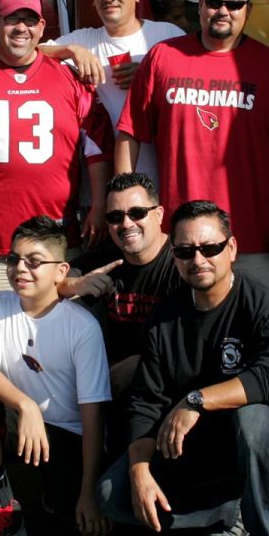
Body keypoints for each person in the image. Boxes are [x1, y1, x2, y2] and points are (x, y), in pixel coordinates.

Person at [97, 200, 269, 536]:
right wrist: (140, 469)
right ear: (175, 256)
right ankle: (229, 509)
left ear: (231, 248)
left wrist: (196, 401)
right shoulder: (166, 316)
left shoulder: (263, 304)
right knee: (111, 496)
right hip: (201, 441)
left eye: (209, 248)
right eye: (184, 251)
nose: (198, 259)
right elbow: (146, 400)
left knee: (253, 419)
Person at [115, 0, 269, 295]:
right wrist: (123, 209)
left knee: (262, 335)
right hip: (179, 242)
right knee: (184, 336)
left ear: (247, 12)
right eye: (215, 2)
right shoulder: (164, 57)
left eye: (234, 4)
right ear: (200, 7)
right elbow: (130, 133)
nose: (224, 10)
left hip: (252, 240)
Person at [0, 0, 110, 344]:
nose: (21, 28)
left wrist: (99, 204)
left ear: (40, 28)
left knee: (55, 345)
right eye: (12, 20)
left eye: (29, 20)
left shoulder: (69, 78)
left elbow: (95, 147)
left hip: (55, 244)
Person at [0, 217, 112, 536]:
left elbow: (93, 413)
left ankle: (52, 493)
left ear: (61, 271)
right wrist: (25, 405)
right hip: (18, 422)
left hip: (65, 436)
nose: (20, 268)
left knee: (73, 519)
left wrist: (89, 493)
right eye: (14, 259)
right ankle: (6, 512)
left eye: (34, 261)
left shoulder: (82, 327)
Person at [60, 173, 181, 458]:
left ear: (159, 214)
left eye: (137, 213)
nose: (126, 224)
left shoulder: (182, 261)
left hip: (165, 386)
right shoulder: (107, 259)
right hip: (109, 387)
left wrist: (125, 370)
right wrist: (73, 285)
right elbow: (48, 281)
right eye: (115, 216)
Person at [43, 0, 185, 184]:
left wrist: (151, 75)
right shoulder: (85, 39)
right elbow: (33, 52)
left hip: (164, 172)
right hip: (106, 177)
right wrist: (70, 50)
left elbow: (198, 81)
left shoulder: (167, 36)